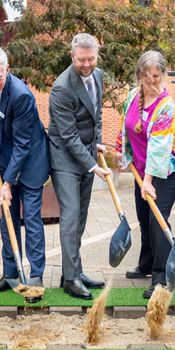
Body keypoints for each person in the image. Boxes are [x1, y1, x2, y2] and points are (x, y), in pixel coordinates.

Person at [0, 47, 50, 291]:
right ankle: (11, 275)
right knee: (7, 219)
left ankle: (35, 277)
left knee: (30, 217)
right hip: (6, 156)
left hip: (30, 161)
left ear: (7, 70)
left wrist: (6, 183)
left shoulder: (21, 96)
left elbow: (23, 143)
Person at [115, 51, 175, 299]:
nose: (152, 81)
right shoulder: (133, 96)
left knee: (158, 220)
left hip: (165, 171)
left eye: (156, 76)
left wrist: (148, 181)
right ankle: (146, 264)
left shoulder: (166, 105)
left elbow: (159, 148)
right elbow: (125, 125)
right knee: (144, 219)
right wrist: (121, 151)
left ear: (163, 75)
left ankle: (160, 278)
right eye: (146, 77)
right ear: (139, 77)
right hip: (141, 169)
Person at [48, 34, 110, 299]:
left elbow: (96, 114)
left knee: (81, 217)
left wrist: (96, 143)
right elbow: (68, 135)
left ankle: (73, 269)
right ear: (72, 56)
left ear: (97, 55)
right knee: (71, 216)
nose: (87, 64)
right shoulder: (62, 87)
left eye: (91, 59)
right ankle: (71, 279)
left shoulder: (98, 75)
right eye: (82, 59)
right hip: (64, 157)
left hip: (86, 152)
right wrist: (92, 166)